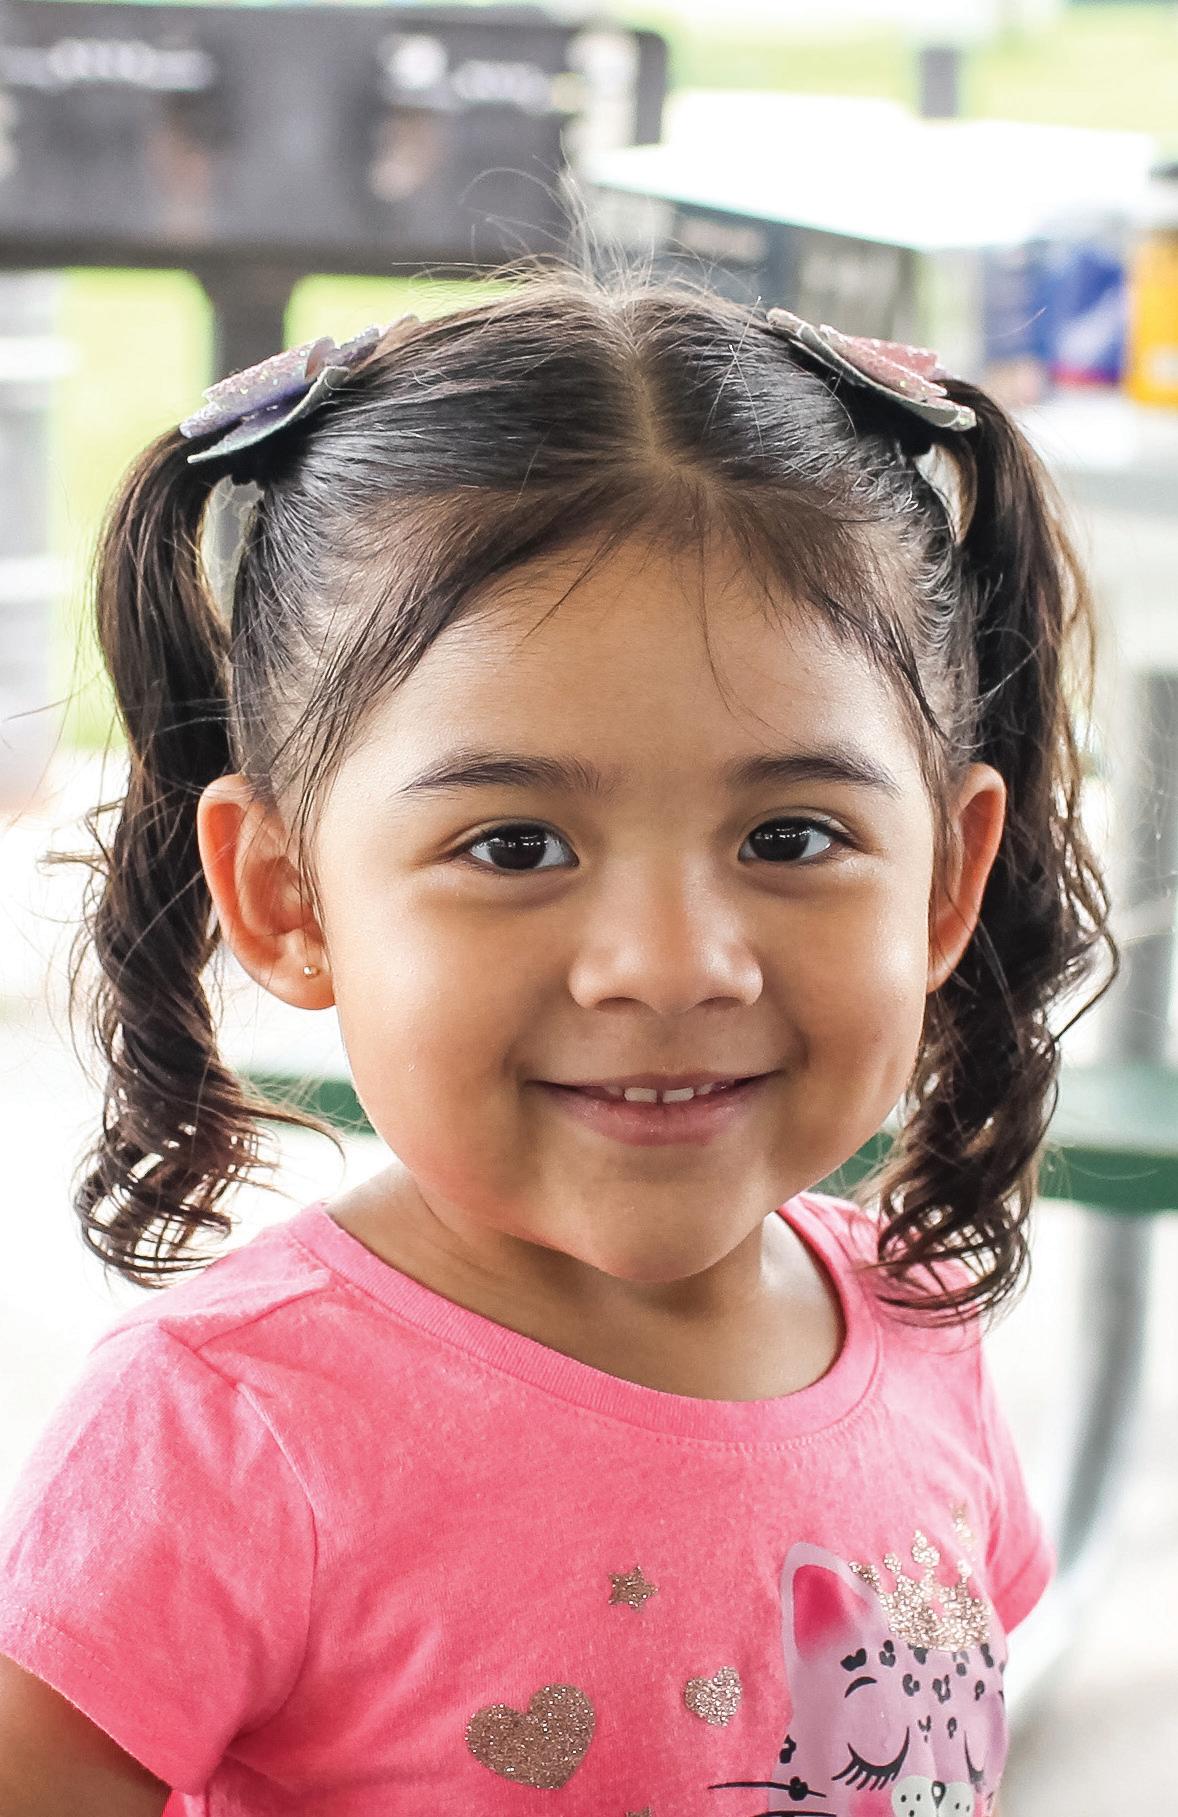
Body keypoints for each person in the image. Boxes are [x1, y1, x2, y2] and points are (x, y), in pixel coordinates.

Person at [0, 259, 1116, 1816]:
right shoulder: (221, 1431)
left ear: (944, 879)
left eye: (790, 835)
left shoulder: (915, 1320)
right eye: (515, 844)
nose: (668, 965)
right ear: (288, 895)